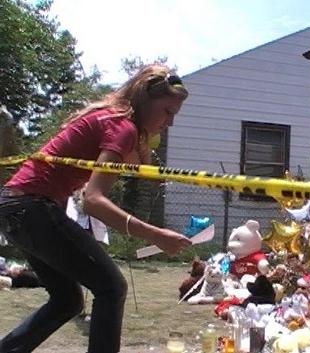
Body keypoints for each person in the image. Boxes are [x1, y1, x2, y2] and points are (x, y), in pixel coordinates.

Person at [0, 64, 192, 353]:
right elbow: (94, 199)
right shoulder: (122, 127)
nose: (170, 123)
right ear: (145, 100)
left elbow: (72, 177)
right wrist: (156, 235)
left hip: (15, 206)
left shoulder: (112, 119)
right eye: (167, 112)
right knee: (112, 288)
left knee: (68, 300)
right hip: (32, 207)